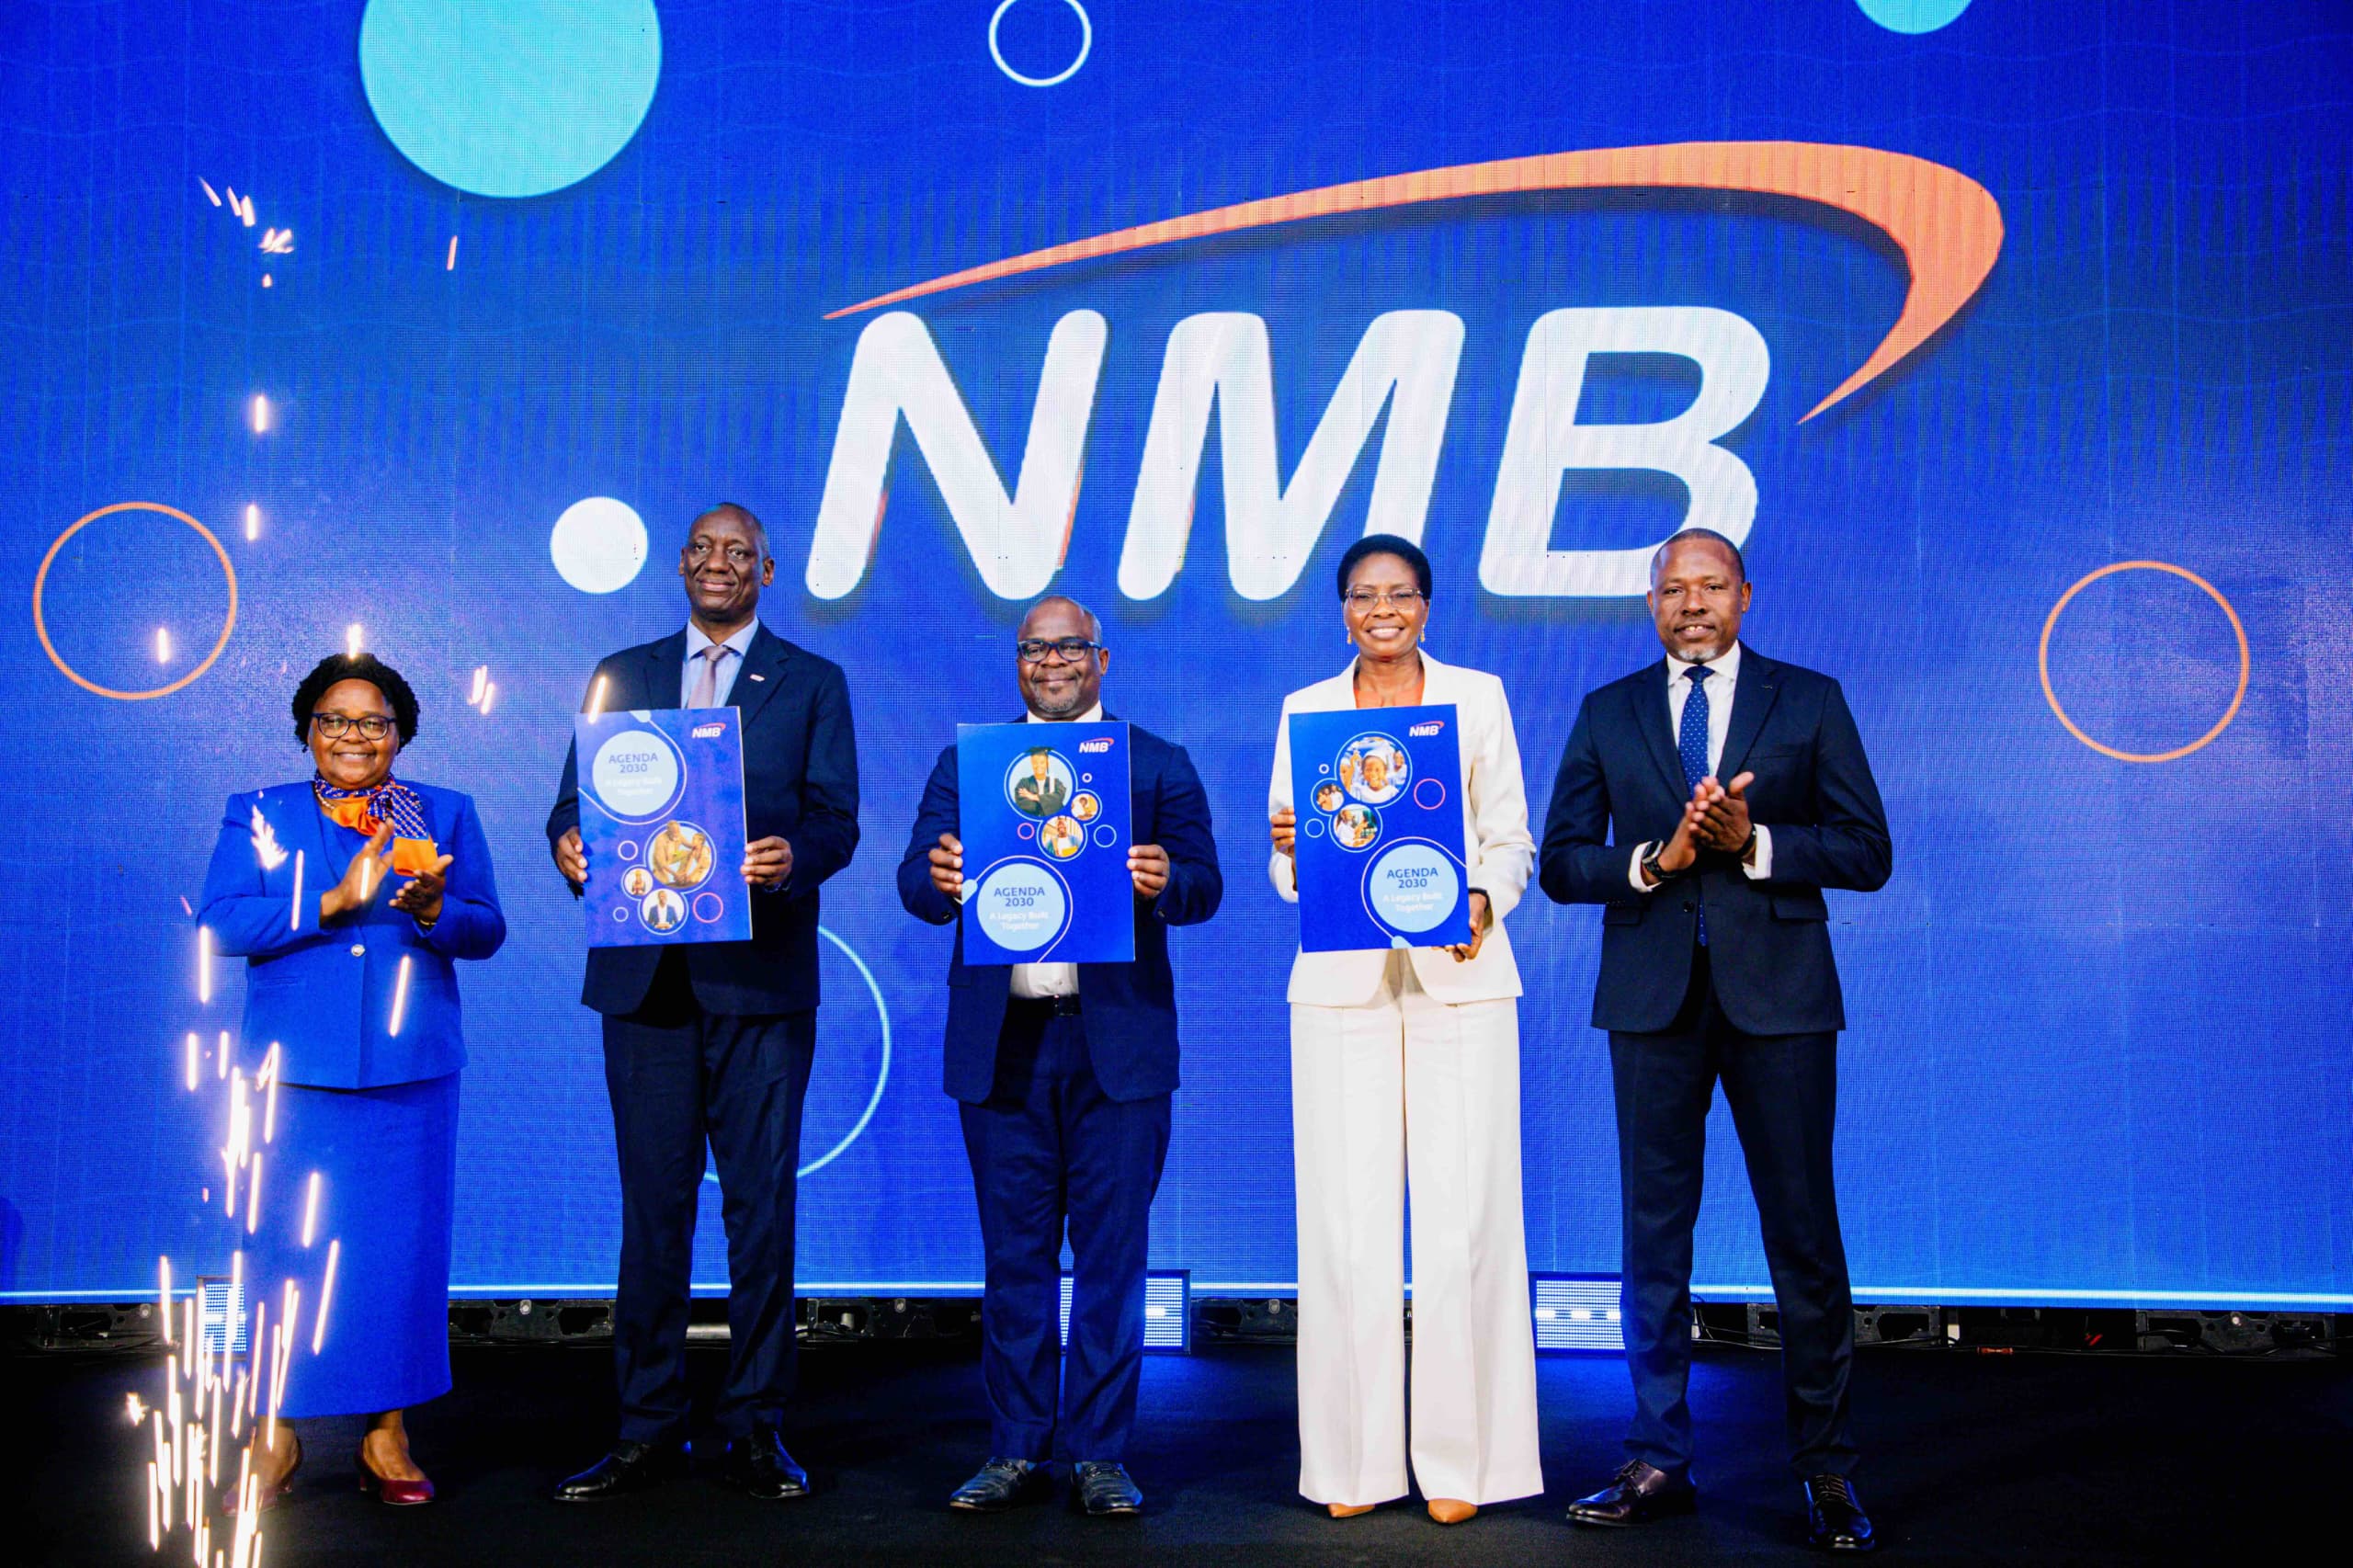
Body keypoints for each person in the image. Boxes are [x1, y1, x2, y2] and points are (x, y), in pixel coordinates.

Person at [1539, 528, 1893, 1553]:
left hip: (1782, 1002)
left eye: (1710, 585)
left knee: (1803, 1238)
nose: (1691, 603)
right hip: (1650, 1004)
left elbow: (1867, 848)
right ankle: (1657, 1457)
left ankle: (1826, 1471)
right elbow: (1563, 861)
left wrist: (1756, 843)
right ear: (1651, 603)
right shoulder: (1607, 709)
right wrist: (1655, 860)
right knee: (1652, 1240)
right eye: (1673, 588)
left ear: (1744, 595)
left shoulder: (1808, 699)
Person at [547, 504, 860, 1503]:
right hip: (645, 984)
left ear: (766, 569)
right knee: (653, 1213)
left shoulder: (812, 681)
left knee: (761, 1211)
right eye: (702, 549)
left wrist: (791, 855)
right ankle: (645, 1427)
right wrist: (568, 843)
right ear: (681, 564)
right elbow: (572, 804)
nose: (718, 562)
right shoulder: (621, 672)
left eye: (739, 552)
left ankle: (758, 1425)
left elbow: (837, 819)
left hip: (760, 982)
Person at [899, 596, 1222, 1517]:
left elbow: (1206, 886)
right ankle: (1013, 1447)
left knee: (1113, 1262)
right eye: (1034, 648)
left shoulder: (1156, 762)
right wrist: (939, 875)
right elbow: (914, 882)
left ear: (1102, 659)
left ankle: (1099, 1454)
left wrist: (1165, 880)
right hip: (1004, 1047)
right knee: (1015, 1260)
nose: (1051, 661)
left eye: (1070, 646)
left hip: (1116, 1048)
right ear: (1018, 662)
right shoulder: (969, 764)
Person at [1267, 534, 1541, 1525]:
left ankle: (1467, 1464)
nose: (1381, 609)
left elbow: (1510, 837)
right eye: (1362, 594)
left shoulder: (1479, 695)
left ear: (1426, 604)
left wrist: (1483, 897)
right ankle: (1351, 1465)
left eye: (1400, 593)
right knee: (1345, 1229)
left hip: (1459, 976)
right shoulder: (1306, 708)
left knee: (1466, 1222)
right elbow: (1286, 865)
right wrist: (1292, 851)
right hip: (1341, 987)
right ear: (1342, 609)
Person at [199, 652, 506, 1509]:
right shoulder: (258, 812)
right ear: (307, 730)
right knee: (278, 1251)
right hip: (292, 1072)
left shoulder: (444, 812)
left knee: (399, 1256)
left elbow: (487, 928)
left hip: (412, 1072)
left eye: (374, 722)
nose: (353, 736)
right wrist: (329, 903)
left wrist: (435, 912)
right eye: (334, 720)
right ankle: (273, 1434)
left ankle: (387, 1435)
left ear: (400, 735)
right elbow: (220, 923)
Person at [1013, 748, 1069, 818]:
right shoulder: (1023, 783)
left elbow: (1059, 797)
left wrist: (1034, 797)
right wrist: (1048, 801)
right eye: (1035, 763)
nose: (1038, 766)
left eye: (1042, 762)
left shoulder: (1056, 782)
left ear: (1047, 763)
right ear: (1031, 764)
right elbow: (1024, 805)